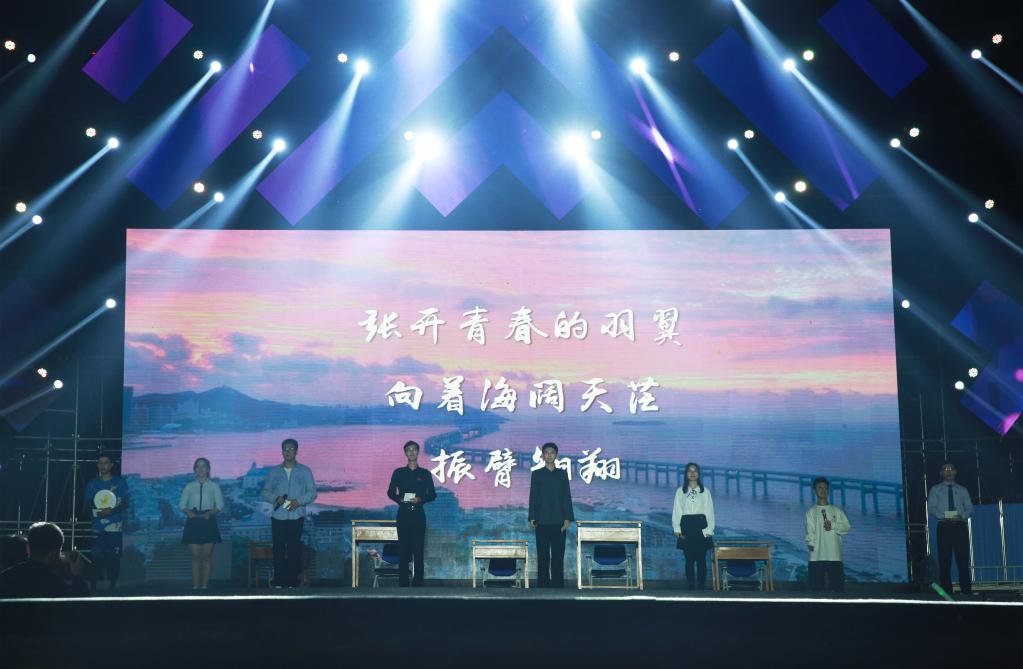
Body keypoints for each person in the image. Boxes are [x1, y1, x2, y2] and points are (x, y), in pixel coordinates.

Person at [260, 438, 317, 588]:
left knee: (294, 549)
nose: (288, 452)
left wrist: (298, 501)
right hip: (278, 516)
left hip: (296, 516)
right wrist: (275, 498)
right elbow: (264, 493)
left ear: (296, 451)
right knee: (278, 549)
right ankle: (279, 581)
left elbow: (312, 493)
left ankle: (292, 581)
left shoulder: (305, 471)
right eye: (285, 449)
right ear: (282, 451)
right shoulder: (274, 471)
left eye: (291, 449)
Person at [386, 440, 437, 587]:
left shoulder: (425, 473)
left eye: (414, 449)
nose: (411, 452)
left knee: (418, 549)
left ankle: (417, 583)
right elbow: (390, 492)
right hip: (403, 514)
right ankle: (403, 583)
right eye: (408, 450)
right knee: (403, 549)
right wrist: (399, 499)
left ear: (418, 452)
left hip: (418, 515)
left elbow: (433, 494)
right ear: (405, 453)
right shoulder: (398, 472)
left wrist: (421, 499)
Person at [0, 522, 89, 598]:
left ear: (28, 548)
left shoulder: (5, 578)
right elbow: (82, 606)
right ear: (53, 554)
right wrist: (78, 577)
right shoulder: (58, 587)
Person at [528, 442, 574, 588]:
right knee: (542, 555)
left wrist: (567, 518)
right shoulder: (537, 474)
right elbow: (533, 497)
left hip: (559, 521)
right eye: (546, 453)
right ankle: (543, 583)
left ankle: (557, 583)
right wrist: (532, 517)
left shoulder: (562, 474)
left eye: (552, 452)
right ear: (542, 455)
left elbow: (566, 496)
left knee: (558, 555)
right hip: (541, 520)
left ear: (556, 455)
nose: (549, 455)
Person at [83, 453, 130, 591]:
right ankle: (93, 586)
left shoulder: (119, 482)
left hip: (115, 526)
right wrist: (97, 510)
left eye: (106, 463)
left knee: (113, 557)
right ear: (97, 465)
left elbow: (126, 503)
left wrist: (111, 511)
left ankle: (112, 586)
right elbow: (87, 504)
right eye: (100, 463)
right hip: (97, 527)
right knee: (96, 556)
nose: (103, 466)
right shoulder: (92, 483)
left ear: (111, 465)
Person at [927, 462, 974, 596]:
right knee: (944, 561)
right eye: (945, 469)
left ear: (955, 472)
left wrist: (961, 516)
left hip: (960, 527)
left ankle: (967, 592)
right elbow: (931, 508)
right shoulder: (935, 489)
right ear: (941, 473)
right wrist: (947, 516)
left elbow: (970, 508)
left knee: (963, 560)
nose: (948, 471)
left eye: (951, 468)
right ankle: (947, 593)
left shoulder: (963, 490)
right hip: (944, 527)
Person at [179, 457, 224, 590]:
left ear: (208, 469)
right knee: (195, 557)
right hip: (193, 522)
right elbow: (182, 505)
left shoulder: (214, 486)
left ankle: (204, 587)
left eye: (203, 466)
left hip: (208, 521)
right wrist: (188, 512)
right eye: (198, 466)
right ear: (194, 469)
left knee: (206, 556)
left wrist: (211, 513)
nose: (200, 469)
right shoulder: (189, 486)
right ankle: (195, 587)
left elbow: (220, 505)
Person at [672, 462, 715, 590]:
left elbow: (710, 511)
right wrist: (677, 528)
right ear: (686, 474)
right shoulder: (680, 491)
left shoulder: (705, 491)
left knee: (701, 560)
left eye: (695, 471)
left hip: (701, 526)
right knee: (689, 560)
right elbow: (677, 510)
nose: (692, 473)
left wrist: (709, 529)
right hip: (686, 526)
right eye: (689, 471)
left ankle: (701, 587)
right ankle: (691, 587)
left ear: (699, 473)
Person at [804, 477, 851, 593]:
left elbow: (847, 527)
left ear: (828, 491)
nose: (823, 490)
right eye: (820, 488)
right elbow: (810, 532)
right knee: (816, 590)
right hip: (816, 557)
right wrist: (810, 543)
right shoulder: (811, 512)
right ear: (814, 491)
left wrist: (833, 526)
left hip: (835, 555)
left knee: (837, 590)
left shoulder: (837, 511)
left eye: (825, 488)